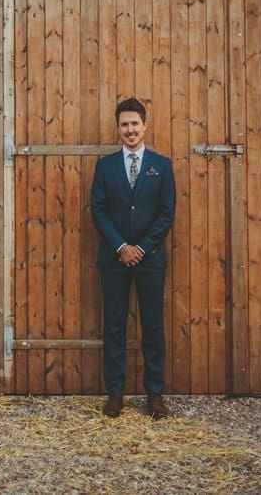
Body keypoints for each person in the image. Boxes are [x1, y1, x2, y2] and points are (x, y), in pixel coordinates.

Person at [89, 97, 176, 419]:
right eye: (124, 125)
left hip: (150, 260)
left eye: (134, 124)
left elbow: (167, 213)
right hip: (114, 260)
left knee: (152, 327)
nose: (130, 130)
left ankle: (154, 394)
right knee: (114, 327)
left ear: (144, 126)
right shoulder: (105, 166)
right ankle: (115, 393)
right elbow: (98, 210)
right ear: (118, 129)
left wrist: (141, 248)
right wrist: (121, 247)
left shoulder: (161, 166)